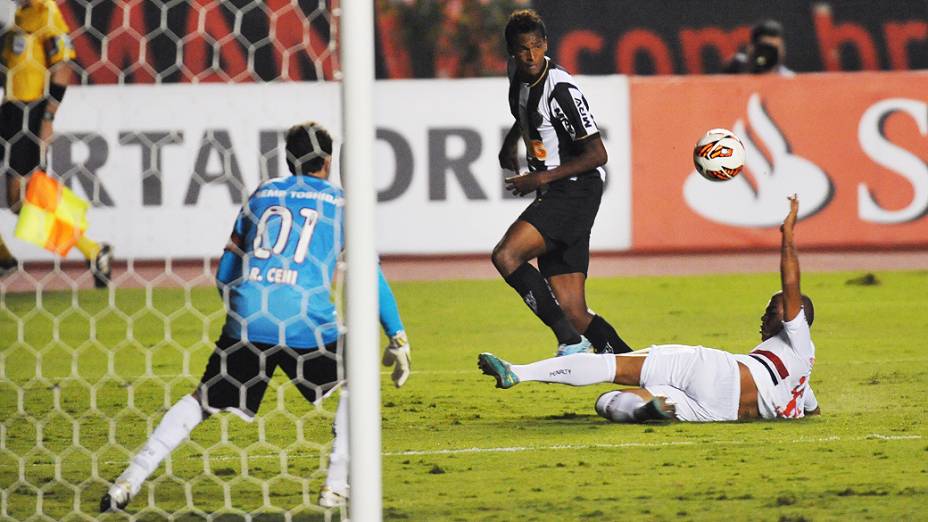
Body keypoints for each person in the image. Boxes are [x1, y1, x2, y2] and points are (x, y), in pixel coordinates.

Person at [100, 122, 412, 512]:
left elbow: (225, 270)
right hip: (306, 321)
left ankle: (130, 478)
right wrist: (396, 334)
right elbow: (370, 276)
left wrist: (241, 316)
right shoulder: (343, 204)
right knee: (358, 382)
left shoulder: (263, 194)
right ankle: (335, 484)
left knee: (201, 400)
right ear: (328, 162)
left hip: (249, 315)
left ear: (288, 159)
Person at [479, 195, 819, 423]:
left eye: (775, 310)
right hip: (719, 411)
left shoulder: (798, 339)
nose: (767, 314)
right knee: (607, 403)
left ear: (796, 317)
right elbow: (811, 408)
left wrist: (787, 235)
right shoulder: (799, 371)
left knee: (609, 366)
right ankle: (644, 411)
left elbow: (791, 285)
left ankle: (519, 372)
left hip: (719, 371)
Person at [492, 9, 631, 357]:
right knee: (574, 311)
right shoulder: (517, 75)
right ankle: (639, 366)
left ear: (546, 45)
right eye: (523, 49)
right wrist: (510, 144)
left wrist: (540, 177)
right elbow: (523, 114)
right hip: (561, 192)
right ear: (512, 52)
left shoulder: (562, 90)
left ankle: (569, 342)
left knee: (507, 255)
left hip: (575, 190)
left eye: (537, 47)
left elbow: (598, 154)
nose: (531, 55)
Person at [0, 0, 112, 285]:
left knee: (22, 199)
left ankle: (92, 249)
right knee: (20, 199)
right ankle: (3, 258)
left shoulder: (45, 10)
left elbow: (62, 67)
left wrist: (47, 117)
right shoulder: (15, 14)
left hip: (30, 111)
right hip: (7, 110)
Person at [724, 20, 795, 76]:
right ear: (751, 47)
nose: (770, 54)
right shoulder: (736, 66)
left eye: (775, 49)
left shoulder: (789, 79)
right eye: (766, 49)